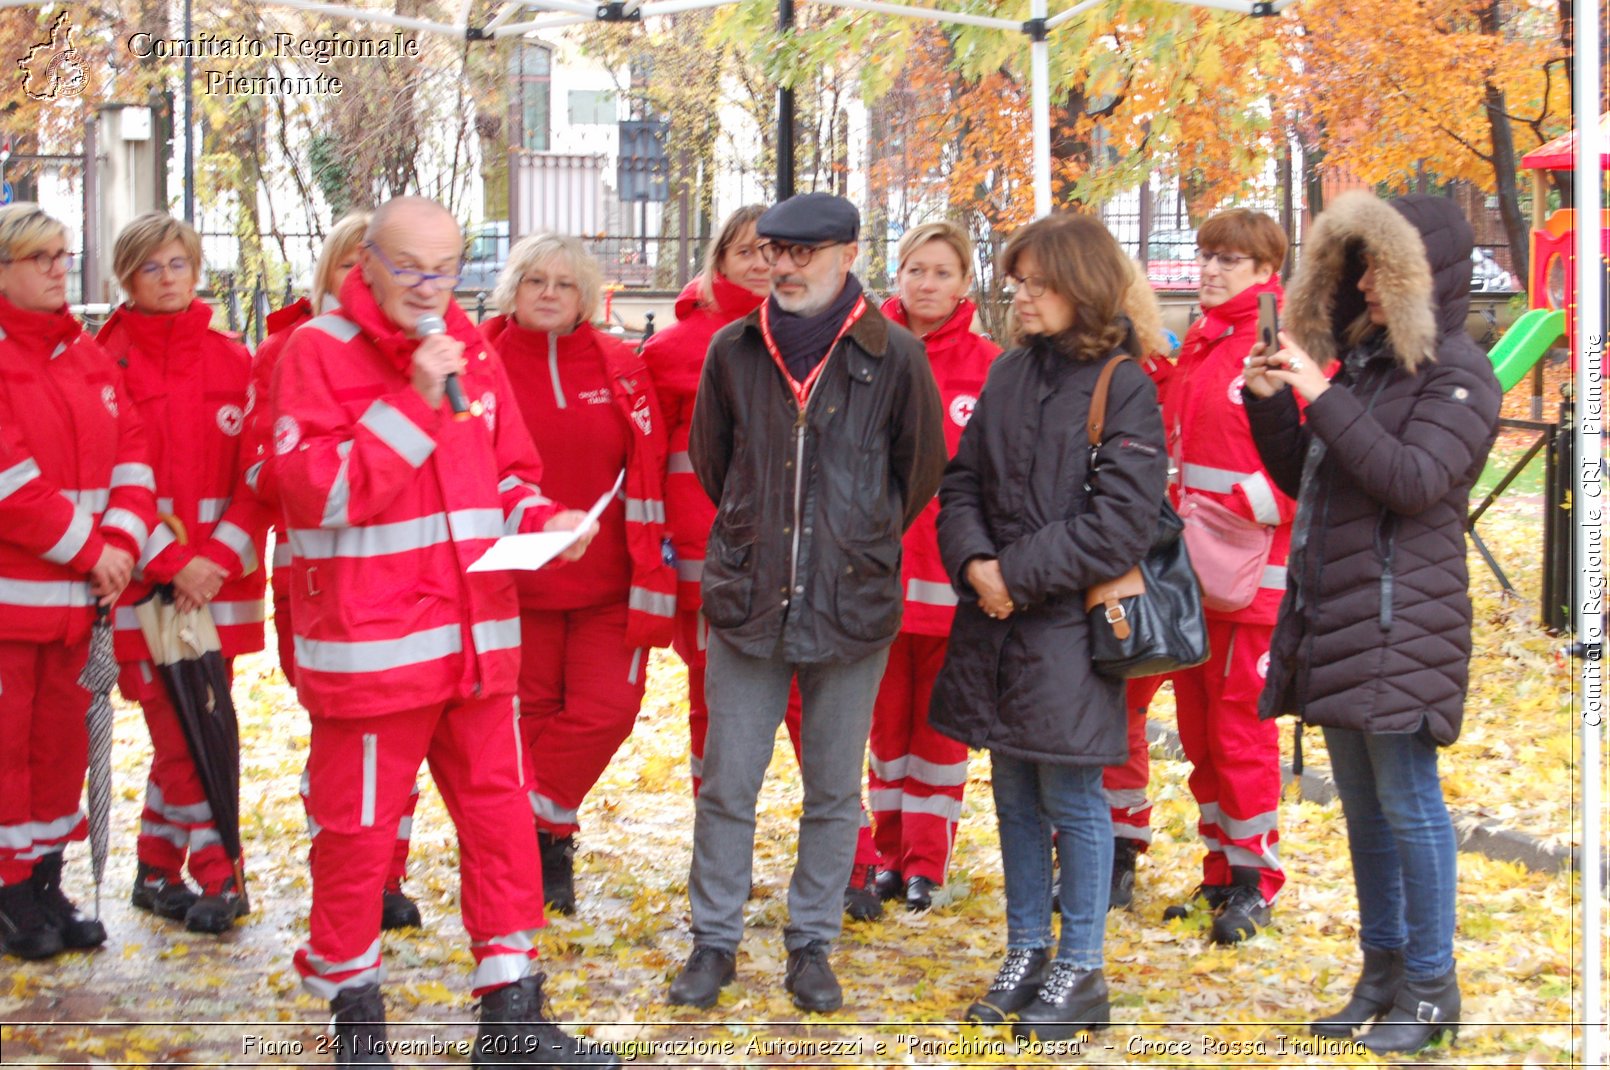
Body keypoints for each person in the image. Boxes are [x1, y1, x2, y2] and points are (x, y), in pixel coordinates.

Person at [270, 196, 618, 1066]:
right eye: (412, 269)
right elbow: (321, 496)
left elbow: (506, 476)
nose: (431, 288)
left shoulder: (471, 353)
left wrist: (546, 519)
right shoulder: (317, 352)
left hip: (475, 644)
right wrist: (417, 403)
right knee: (357, 837)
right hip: (373, 649)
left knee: (501, 825)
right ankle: (356, 1022)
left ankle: (512, 1019)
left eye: (447, 268)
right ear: (369, 264)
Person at [669, 192, 946, 1013]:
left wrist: (851, 543)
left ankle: (811, 945)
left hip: (852, 603)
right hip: (748, 600)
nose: (783, 266)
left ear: (848, 254)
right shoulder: (732, 349)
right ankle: (713, 942)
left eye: (802, 253)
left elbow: (918, 469)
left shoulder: (894, 355)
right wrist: (764, 536)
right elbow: (715, 463)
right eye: (773, 251)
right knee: (727, 782)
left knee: (833, 789)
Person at [1243, 192, 1499, 1055]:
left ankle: (1431, 988)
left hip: (1402, 621)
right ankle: (1380, 976)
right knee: (1363, 812)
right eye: (1357, 270)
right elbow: (1307, 476)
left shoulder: (1460, 371)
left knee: (1409, 807)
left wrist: (1321, 396)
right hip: (1338, 613)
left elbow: (1412, 479)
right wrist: (1275, 401)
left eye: (1383, 271)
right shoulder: (1364, 368)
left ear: (1428, 278)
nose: (1366, 287)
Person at [930, 213, 1167, 1040]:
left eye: (1038, 284)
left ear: (1082, 285)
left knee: (1072, 793)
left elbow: (1119, 524)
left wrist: (1013, 578)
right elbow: (960, 484)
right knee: (1014, 796)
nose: (1020, 297)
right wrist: (973, 566)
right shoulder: (1007, 375)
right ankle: (1027, 949)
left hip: (1068, 625)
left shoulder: (1123, 382)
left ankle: (1083, 966)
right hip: (996, 624)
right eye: (1017, 282)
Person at [639, 207, 884, 921]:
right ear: (719, 258)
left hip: (819, 569)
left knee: (823, 721)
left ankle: (852, 861)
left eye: (773, 250)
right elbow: (671, 461)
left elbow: (907, 464)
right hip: (718, 564)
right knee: (715, 722)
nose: (760, 262)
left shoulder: (849, 343)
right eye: (746, 250)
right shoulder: (679, 350)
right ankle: (722, 875)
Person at [480, 233, 676, 916]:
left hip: (609, 583)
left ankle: (527, 826)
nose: (549, 294)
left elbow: (648, 467)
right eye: (535, 281)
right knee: (528, 719)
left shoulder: (620, 364)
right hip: (513, 584)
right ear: (513, 287)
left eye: (564, 284)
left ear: (585, 296)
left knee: (606, 712)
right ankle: (546, 850)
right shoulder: (481, 360)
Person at [247, 213, 426, 933]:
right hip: (319, 576)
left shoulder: (424, 353)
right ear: (330, 271)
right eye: (350, 264)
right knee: (346, 745)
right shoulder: (290, 351)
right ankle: (345, 874)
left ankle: (387, 875)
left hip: (410, 580)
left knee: (404, 739)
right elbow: (263, 471)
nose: (363, 278)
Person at [95, 213, 268, 936]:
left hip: (218, 582)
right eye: (151, 268)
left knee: (196, 724)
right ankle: (221, 873)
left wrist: (216, 561)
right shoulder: (100, 360)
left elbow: (257, 478)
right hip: (141, 579)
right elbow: (100, 478)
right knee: (181, 730)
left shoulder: (236, 359)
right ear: (126, 277)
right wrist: (170, 565)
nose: (168, 279)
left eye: (179, 264)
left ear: (198, 268)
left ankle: (154, 866)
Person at [1135, 208, 1294, 942]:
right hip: (1194, 574)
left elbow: (1305, 466)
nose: (1211, 270)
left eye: (1230, 260)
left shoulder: (1277, 345)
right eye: (1206, 256)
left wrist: (1239, 508)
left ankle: (1256, 882)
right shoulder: (1204, 343)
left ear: (1266, 271)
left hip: (1253, 577)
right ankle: (1221, 872)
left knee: (1240, 733)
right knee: (1201, 733)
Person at [0, 204, 154, 960]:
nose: (61, 268)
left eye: (64, 254)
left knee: (61, 752)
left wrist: (118, 546)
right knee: (6, 754)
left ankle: (46, 882)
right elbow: (11, 485)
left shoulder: (83, 354)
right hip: (14, 605)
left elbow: (134, 456)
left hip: (79, 604)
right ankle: (10, 894)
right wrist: (94, 551)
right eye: (40, 258)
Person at [864, 221, 999, 913]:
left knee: (939, 731)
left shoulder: (989, 364)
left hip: (952, 583)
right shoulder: (865, 350)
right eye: (916, 269)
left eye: (942, 272)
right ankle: (886, 856)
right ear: (898, 274)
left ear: (965, 284)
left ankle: (927, 863)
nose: (926, 283)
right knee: (886, 731)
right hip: (876, 577)